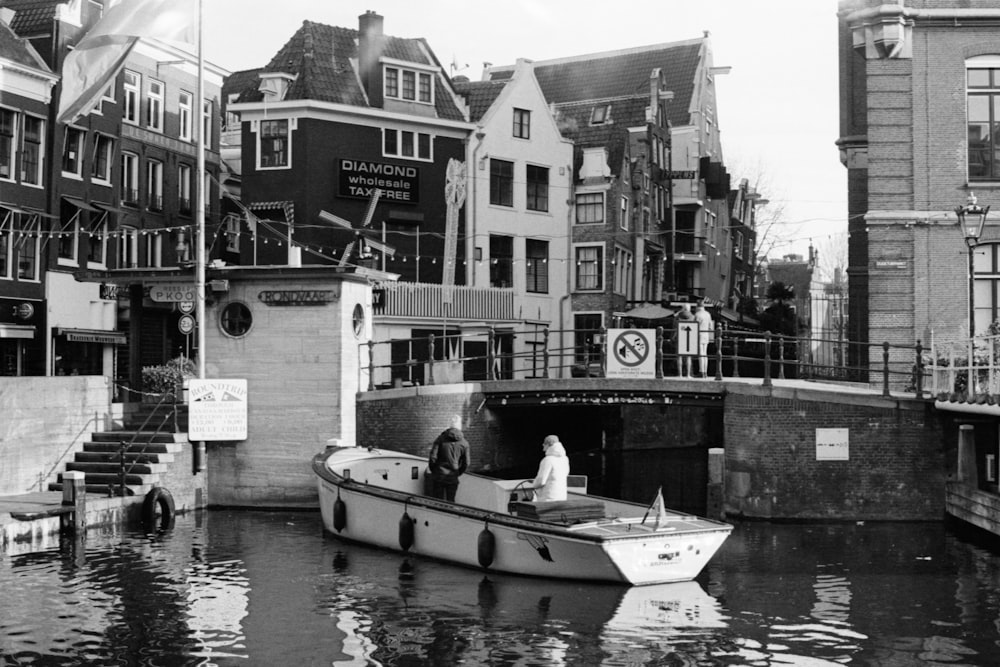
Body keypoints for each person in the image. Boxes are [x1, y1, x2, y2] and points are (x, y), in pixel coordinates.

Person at [427, 414, 470, 501]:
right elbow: (467, 463)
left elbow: (433, 457)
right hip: (453, 476)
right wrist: (458, 472)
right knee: (451, 501)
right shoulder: (464, 443)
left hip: (439, 475)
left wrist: (434, 470)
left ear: (450, 425)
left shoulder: (440, 439)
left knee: (438, 502)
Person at [523, 435, 570, 502]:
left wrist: (533, 484)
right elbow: (566, 474)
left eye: (544, 443)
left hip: (548, 499)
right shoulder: (565, 459)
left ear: (548, 445)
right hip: (562, 497)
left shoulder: (547, 460)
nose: (543, 445)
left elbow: (541, 481)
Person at [693, 302, 714, 378]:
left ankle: (701, 371)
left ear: (697, 307)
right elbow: (710, 327)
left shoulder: (697, 315)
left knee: (701, 354)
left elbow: (694, 326)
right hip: (706, 335)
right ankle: (705, 372)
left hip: (699, 335)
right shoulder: (708, 314)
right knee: (705, 354)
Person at [675, 303, 695, 378]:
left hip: (680, 337)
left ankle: (680, 375)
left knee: (679, 357)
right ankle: (688, 375)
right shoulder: (693, 317)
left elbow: (674, 328)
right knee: (688, 357)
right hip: (689, 338)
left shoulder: (677, 317)